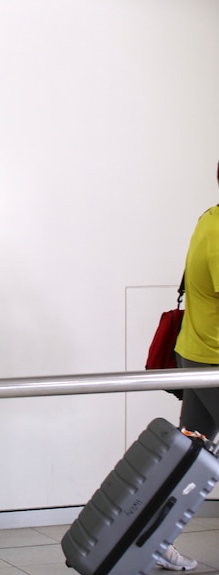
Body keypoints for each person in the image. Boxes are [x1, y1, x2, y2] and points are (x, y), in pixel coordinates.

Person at [166, 160, 219, 572]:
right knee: (192, 456)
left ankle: (155, 539)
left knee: (190, 458)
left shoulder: (209, 217)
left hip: (195, 354)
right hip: (213, 361)